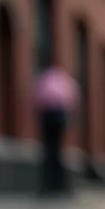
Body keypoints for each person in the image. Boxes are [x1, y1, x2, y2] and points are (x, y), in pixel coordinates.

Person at [33, 63, 80, 194]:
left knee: (49, 151)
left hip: (47, 117)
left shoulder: (44, 79)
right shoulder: (65, 81)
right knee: (57, 151)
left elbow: (37, 99)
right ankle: (59, 185)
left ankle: (48, 184)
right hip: (59, 117)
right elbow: (72, 101)